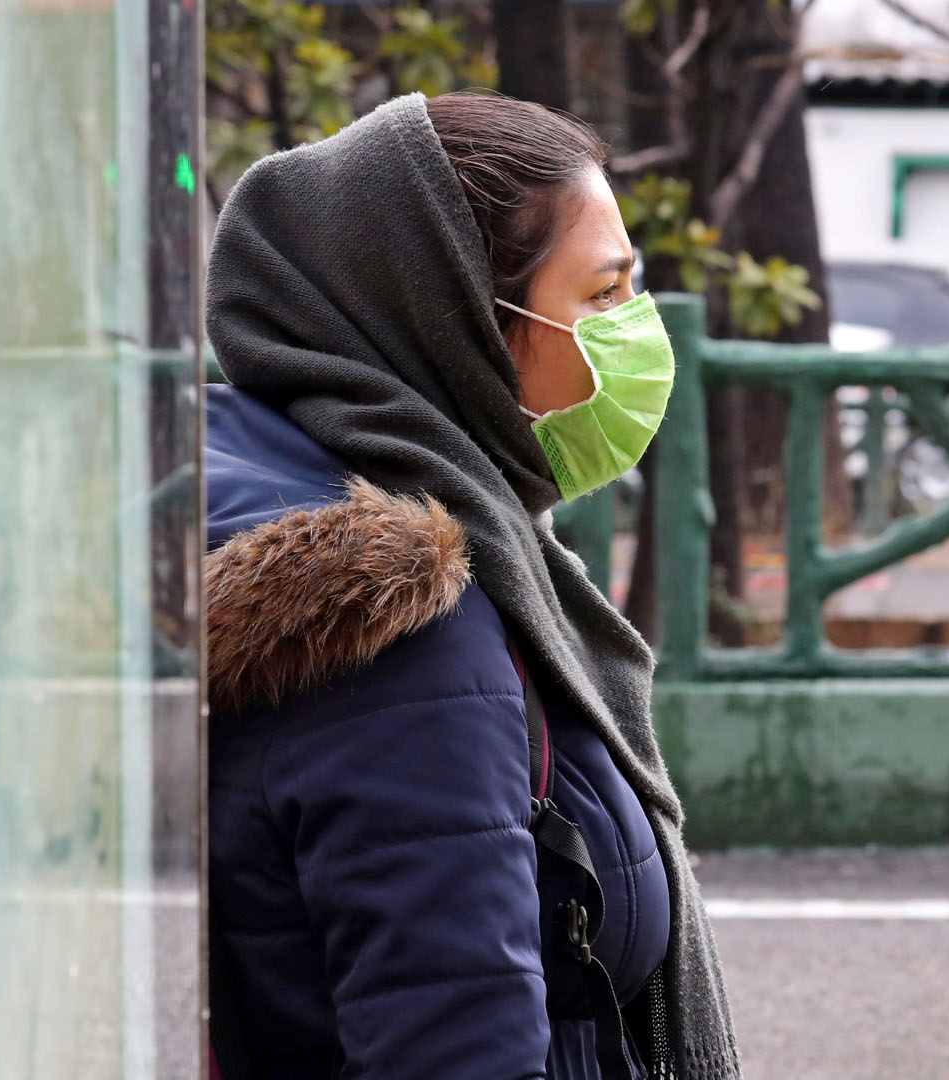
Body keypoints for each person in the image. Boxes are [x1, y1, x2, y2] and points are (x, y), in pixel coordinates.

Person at [201, 91, 740, 1080]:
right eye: (603, 296)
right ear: (457, 327)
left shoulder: (241, 485)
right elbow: (455, 1047)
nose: (635, 333)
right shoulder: (400, 623)